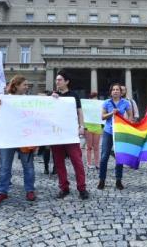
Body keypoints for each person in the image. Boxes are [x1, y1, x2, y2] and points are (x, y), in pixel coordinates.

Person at [0, 75, 37, 204]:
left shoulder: (29, 100)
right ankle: (2, 191)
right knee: (5, 166)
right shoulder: (4, 99)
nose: (27, 87)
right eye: (25, 85)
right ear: (16, 86)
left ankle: (30, 190)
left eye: (27, 85)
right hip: (8, 137)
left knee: (28, 166)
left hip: (25, 138)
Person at [51, 70, 89, 199]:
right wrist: (52, 99)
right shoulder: (52, 96)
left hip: (70, 134)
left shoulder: (73, 96)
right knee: (59, 163)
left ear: (66, 81)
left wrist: (82, 126)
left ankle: (82, 188)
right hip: (56, 135)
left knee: (77, 161)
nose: (57, 82)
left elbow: (79, 112)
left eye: (60, 79)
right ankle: (64, 187)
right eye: (56, 80)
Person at [97, 83, 133, 190]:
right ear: (111, 92)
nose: (116, 91)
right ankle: (101, 180)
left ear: (121, 92)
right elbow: (102, 117)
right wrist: (111, 113)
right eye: (114, 90)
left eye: (117, 90)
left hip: (119, 132)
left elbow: (130, 116)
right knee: (104, 157)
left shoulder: (125, 103)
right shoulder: (106, 103)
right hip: (108, 131)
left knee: (119, 157)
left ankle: (118, 180)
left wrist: (128, 123)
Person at [85, 92, 102, 169]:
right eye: (93, 98)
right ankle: (88, 163)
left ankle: (97, 163)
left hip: (97, 127)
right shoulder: (86, 106)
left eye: (96, 98)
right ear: (90, 99)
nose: (95, 99)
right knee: (89, 147)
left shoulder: (100, 105)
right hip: (88, 127)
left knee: (96, 147)